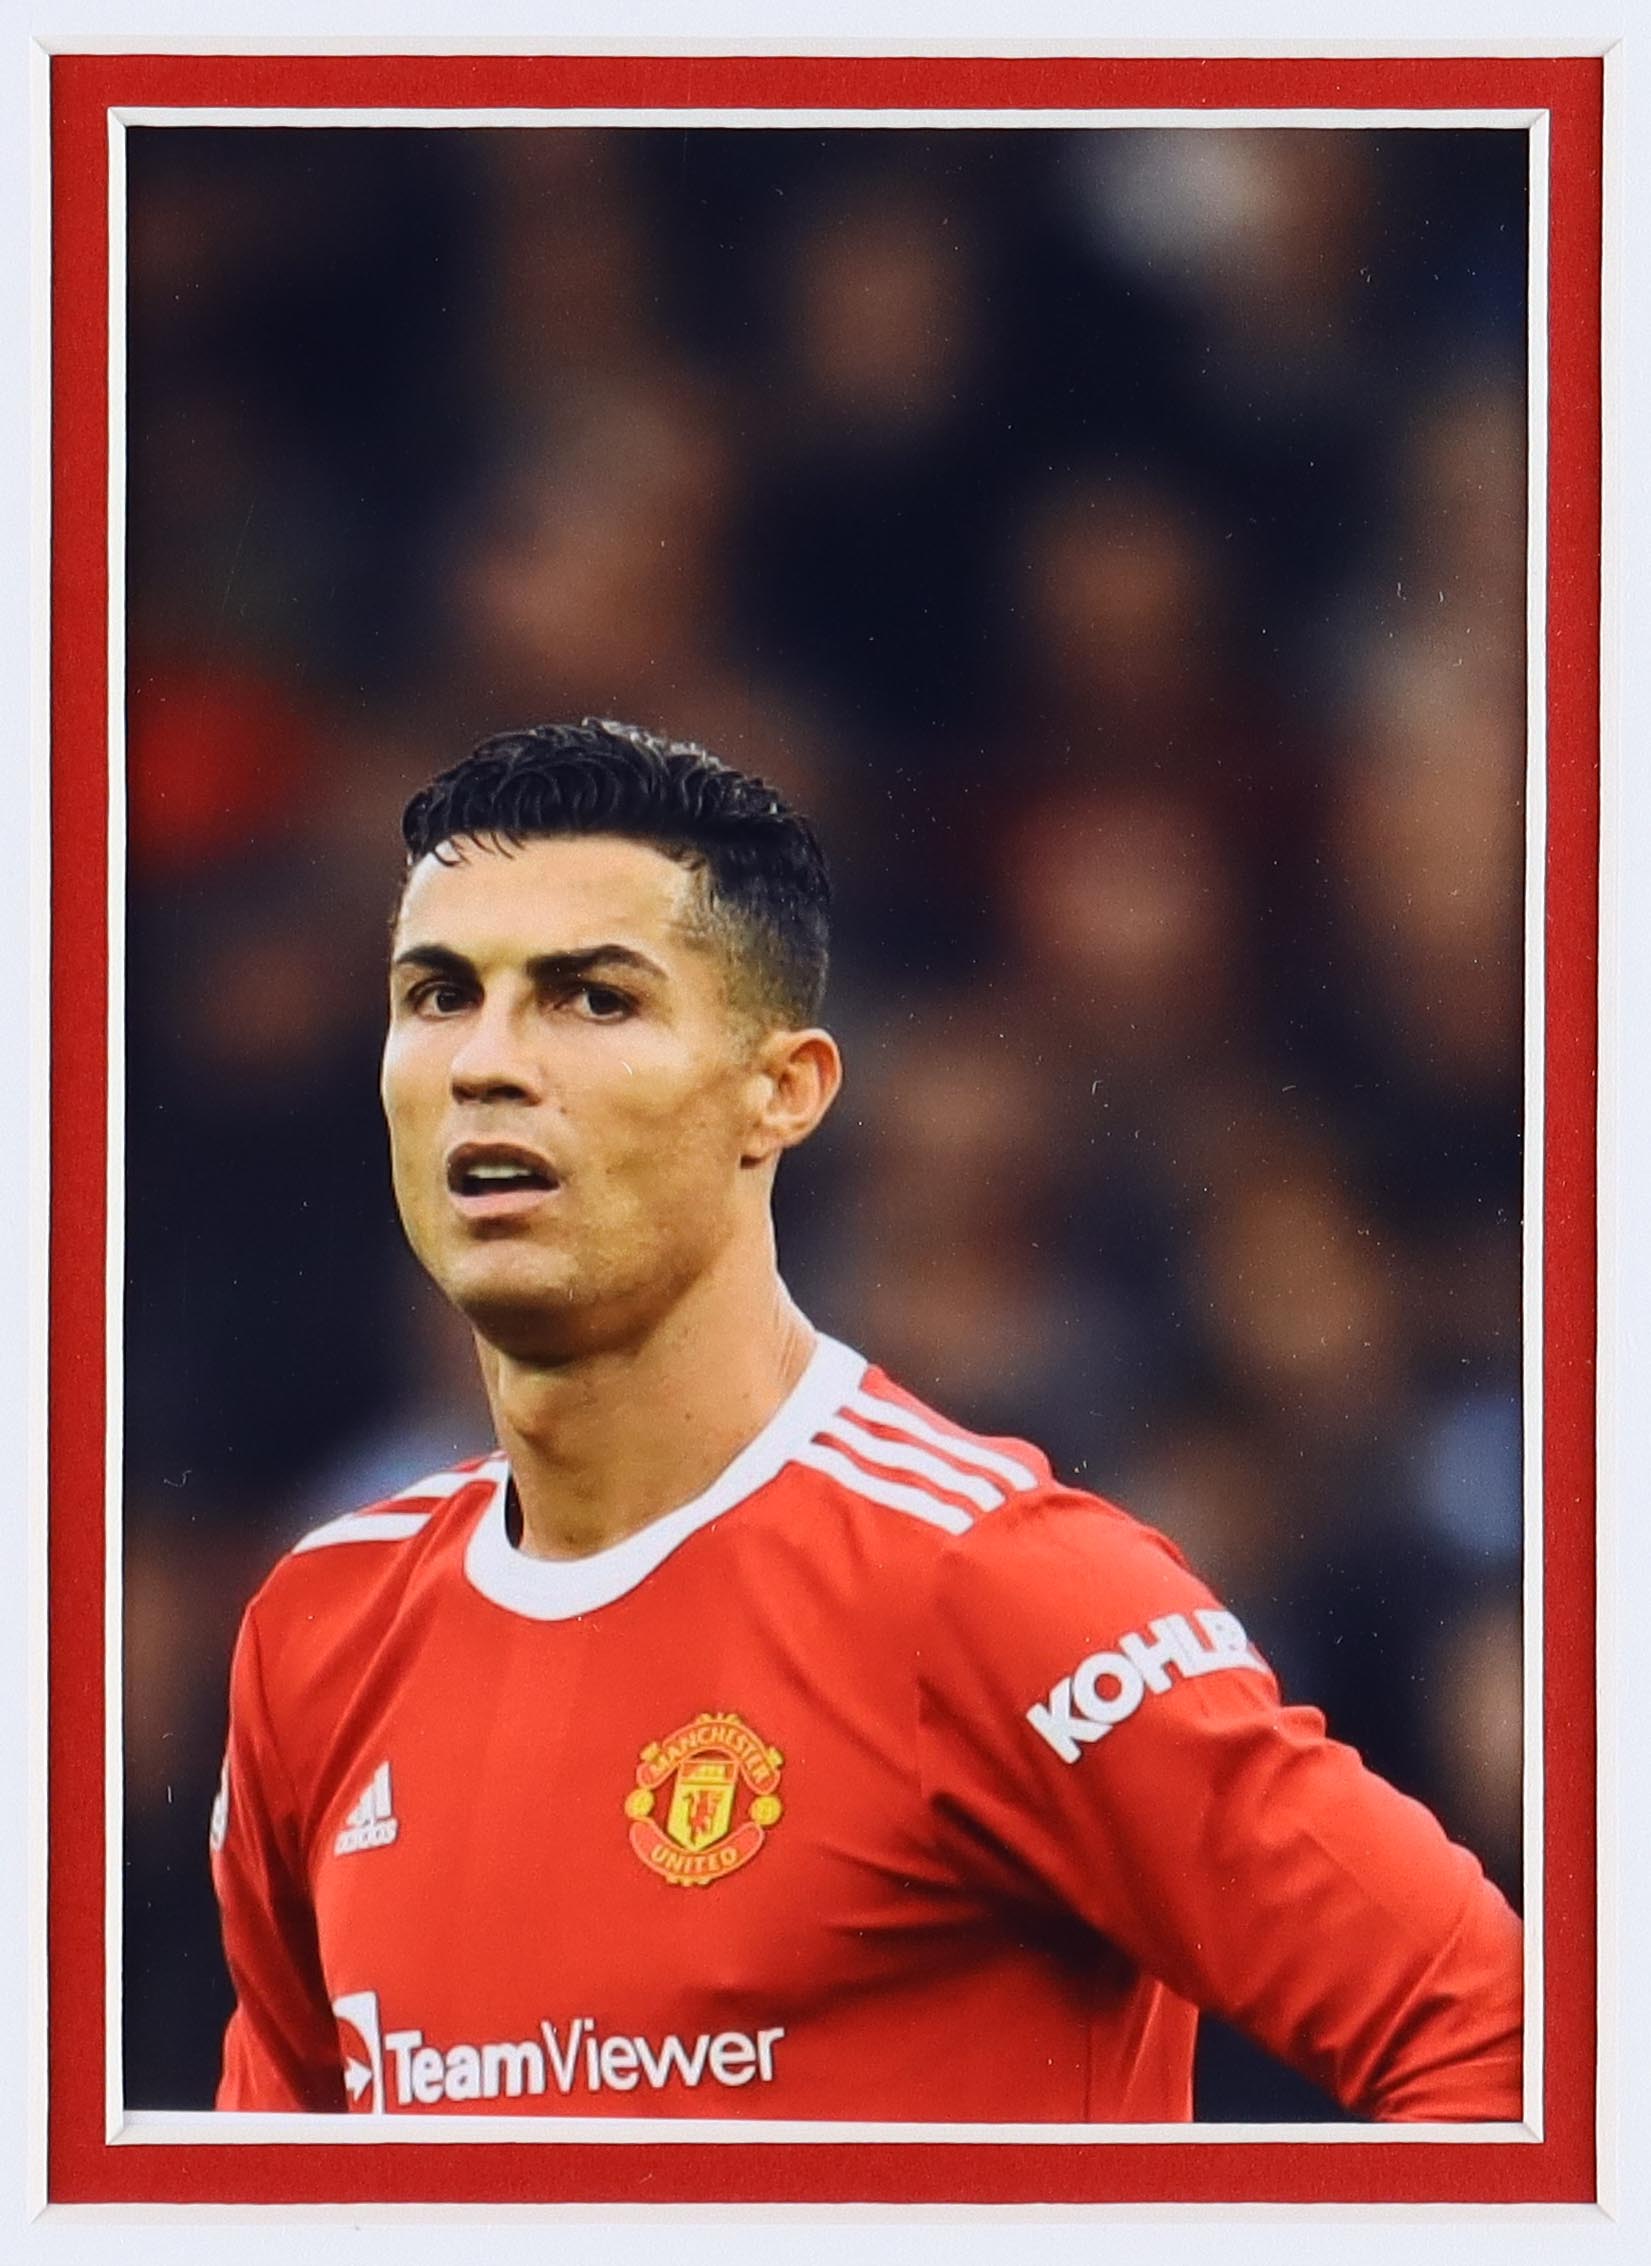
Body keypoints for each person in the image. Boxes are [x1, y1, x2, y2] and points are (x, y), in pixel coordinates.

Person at [210, 717, 1522, 2122]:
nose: (486, 1061)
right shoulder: (317, 1633)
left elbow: (1496, 2041)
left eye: (590, 998)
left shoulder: (992, 1588)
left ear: (782, 1093)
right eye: (438, 993)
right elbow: (261, 2194)